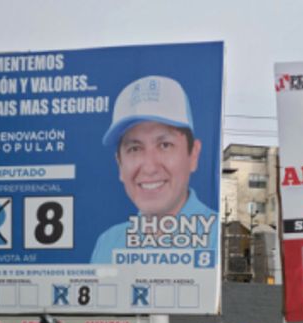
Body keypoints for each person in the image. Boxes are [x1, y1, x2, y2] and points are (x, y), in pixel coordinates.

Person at [89, 75, 218, 265]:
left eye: (165, 145)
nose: (149, 167)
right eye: (134, 148)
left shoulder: (217, 236)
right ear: (119, 164)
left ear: (193, 155)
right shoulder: (108, 243)